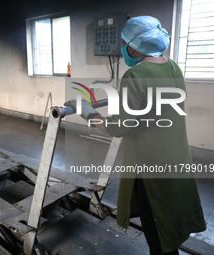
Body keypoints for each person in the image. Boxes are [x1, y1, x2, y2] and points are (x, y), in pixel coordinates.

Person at [65, 16, 206, 254]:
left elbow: (118, 127)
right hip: (176, 157)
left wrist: (86, 111)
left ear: (135, 45)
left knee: (158, 230)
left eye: (125, 42)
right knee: (172, 219)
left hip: (151, 166)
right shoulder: (172, 66)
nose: (123, 49)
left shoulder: (135, 76)